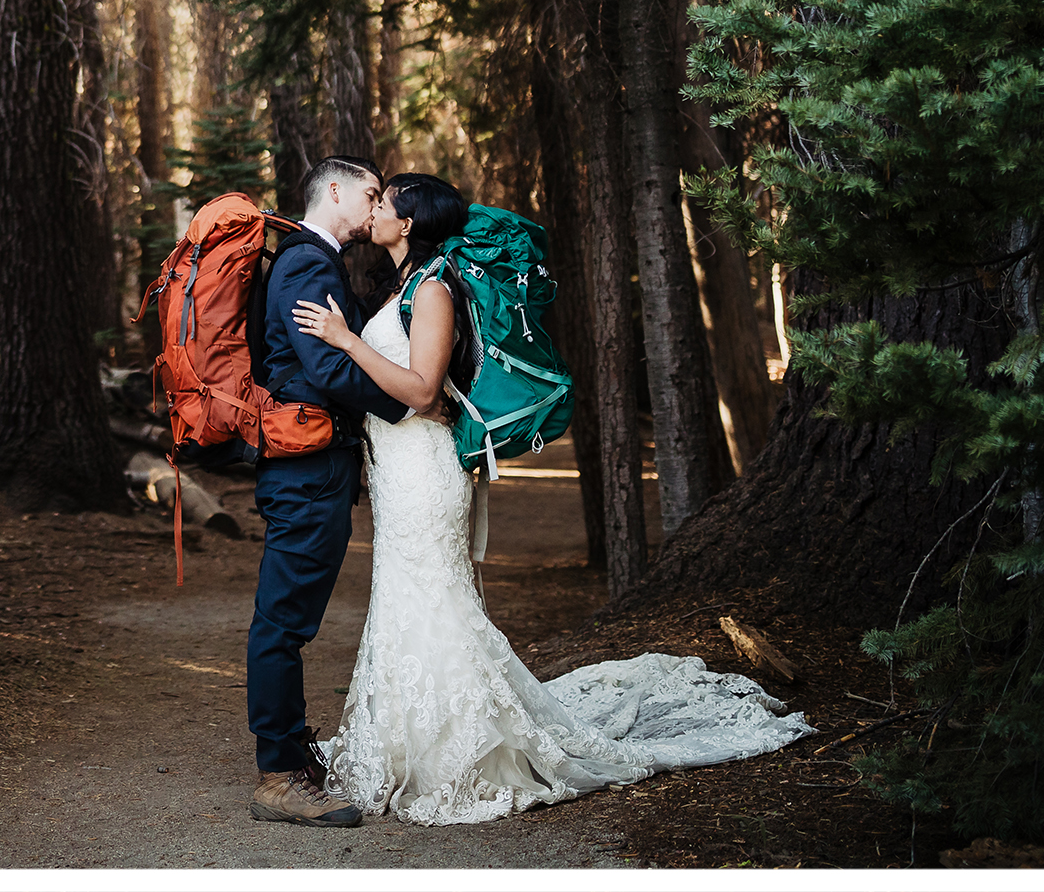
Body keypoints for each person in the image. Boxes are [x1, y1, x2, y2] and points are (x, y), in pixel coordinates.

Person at [290, 172, 813, 826]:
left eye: (387, 201)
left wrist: (344, 342)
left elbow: (423, 391)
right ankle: (407, 741)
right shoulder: (398, 285)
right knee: (403, 597)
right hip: (396, 471)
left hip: (424, 471)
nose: (376, 210)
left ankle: (458, 752)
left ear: (411, 222)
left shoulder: (433, 290)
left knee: (433, 596)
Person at [244, 154, 401, 829]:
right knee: (283, 621)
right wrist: (411, 404)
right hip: (306, 465)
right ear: (333, 190)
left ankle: (291, 755)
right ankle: (279, 776)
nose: (375, 207)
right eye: (370, 195)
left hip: (306, 460)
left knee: (288, 617)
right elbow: (328, 367)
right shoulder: (307, 263)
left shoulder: (308, 259)